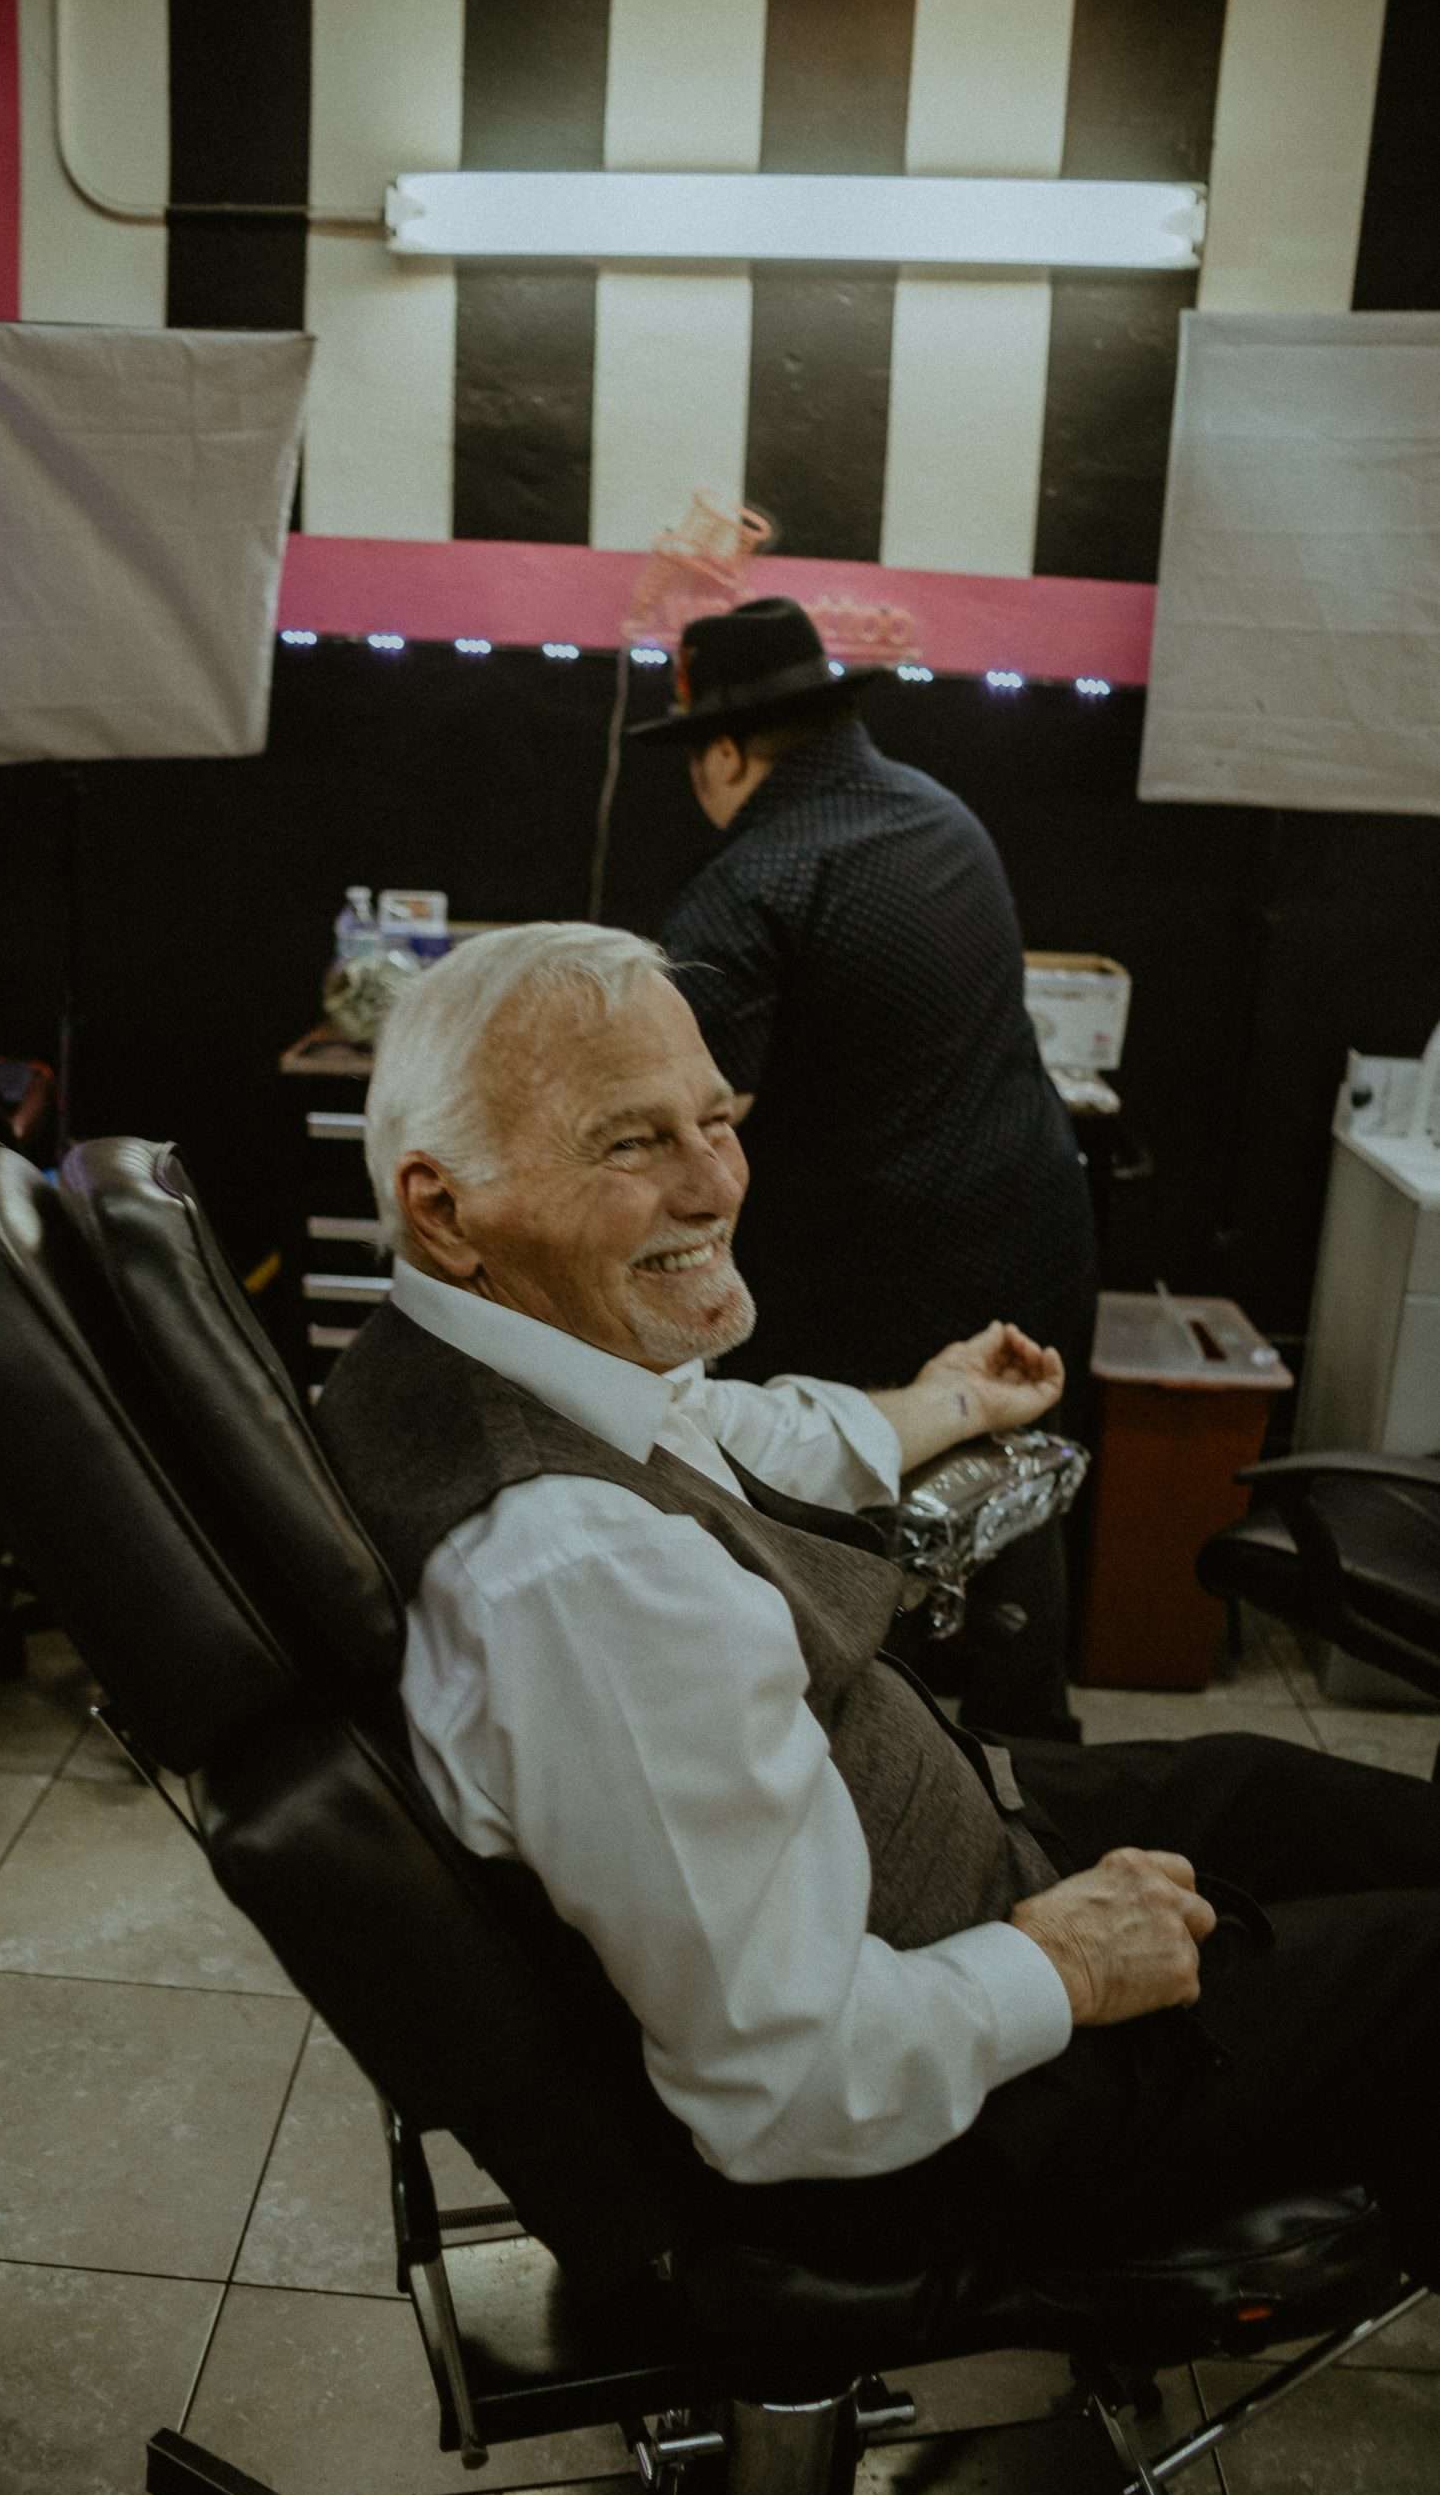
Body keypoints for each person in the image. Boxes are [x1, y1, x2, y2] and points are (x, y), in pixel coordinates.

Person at [316, 923, 1440, 2291]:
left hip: (931, 1859)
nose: (713, 1182)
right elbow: (786, 2089)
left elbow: (729, 1429)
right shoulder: (579, 1570)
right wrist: (1061, 1968)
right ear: (445, 1208)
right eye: (630, 1144)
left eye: (715, 1120)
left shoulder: (484, 1354)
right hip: (914, 2139)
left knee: (1269, 1788)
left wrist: (946, 1400)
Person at [637, 596, 1096, 1740]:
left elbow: (694, 1126)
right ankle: (1031, 1755)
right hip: (1031, 1219)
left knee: (845, 1537)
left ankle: (872, 1767)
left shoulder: (752, 881)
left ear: (725, 751)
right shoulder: (938, 815)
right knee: (1013, 1491)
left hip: (876, 1271)